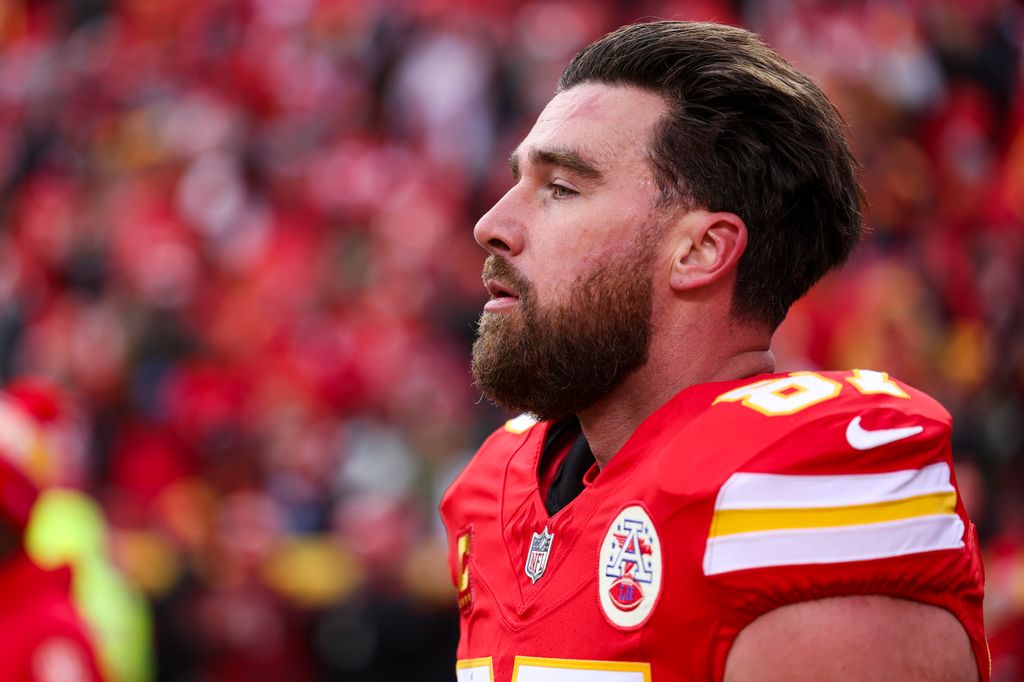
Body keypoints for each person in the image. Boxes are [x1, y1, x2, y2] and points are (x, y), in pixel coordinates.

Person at [439, 20, 988, 682]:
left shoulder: (796, 489)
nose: (490, 225)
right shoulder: (500, 483)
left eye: (561, 188)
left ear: (701, 252)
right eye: (517, 180)